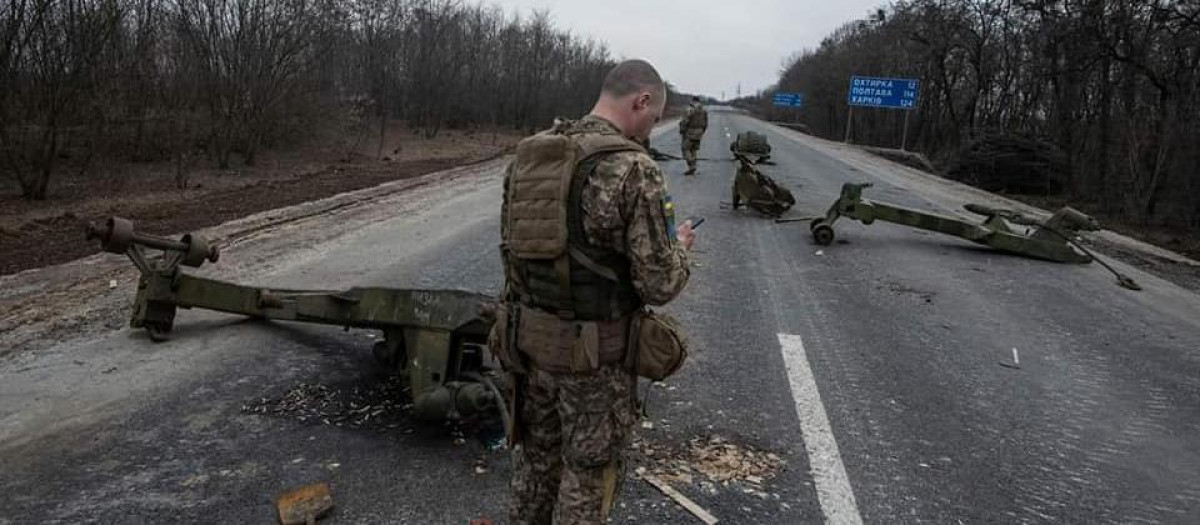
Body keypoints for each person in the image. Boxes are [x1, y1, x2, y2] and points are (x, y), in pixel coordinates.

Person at [496, 59, 695, 524]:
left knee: (535, 466)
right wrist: (680, 250)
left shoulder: (530, 156)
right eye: (654, 116)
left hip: (527, 348)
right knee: (587, 477)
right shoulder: (632, 168)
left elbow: (513, 253)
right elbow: (659, 283)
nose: (652, 127)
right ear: (640, 101)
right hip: (593, 363)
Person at [678, 96, 708, 175]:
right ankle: (693, 166)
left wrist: (682, 130)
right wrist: (702, 131)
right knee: (693, 150)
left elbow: (685, 121)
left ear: (693, 101)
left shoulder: (690, 110)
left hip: (690, 132)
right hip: (699, 132)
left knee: (685, 148)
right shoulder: (704, 110)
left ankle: (691, 164)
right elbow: (706, 123)